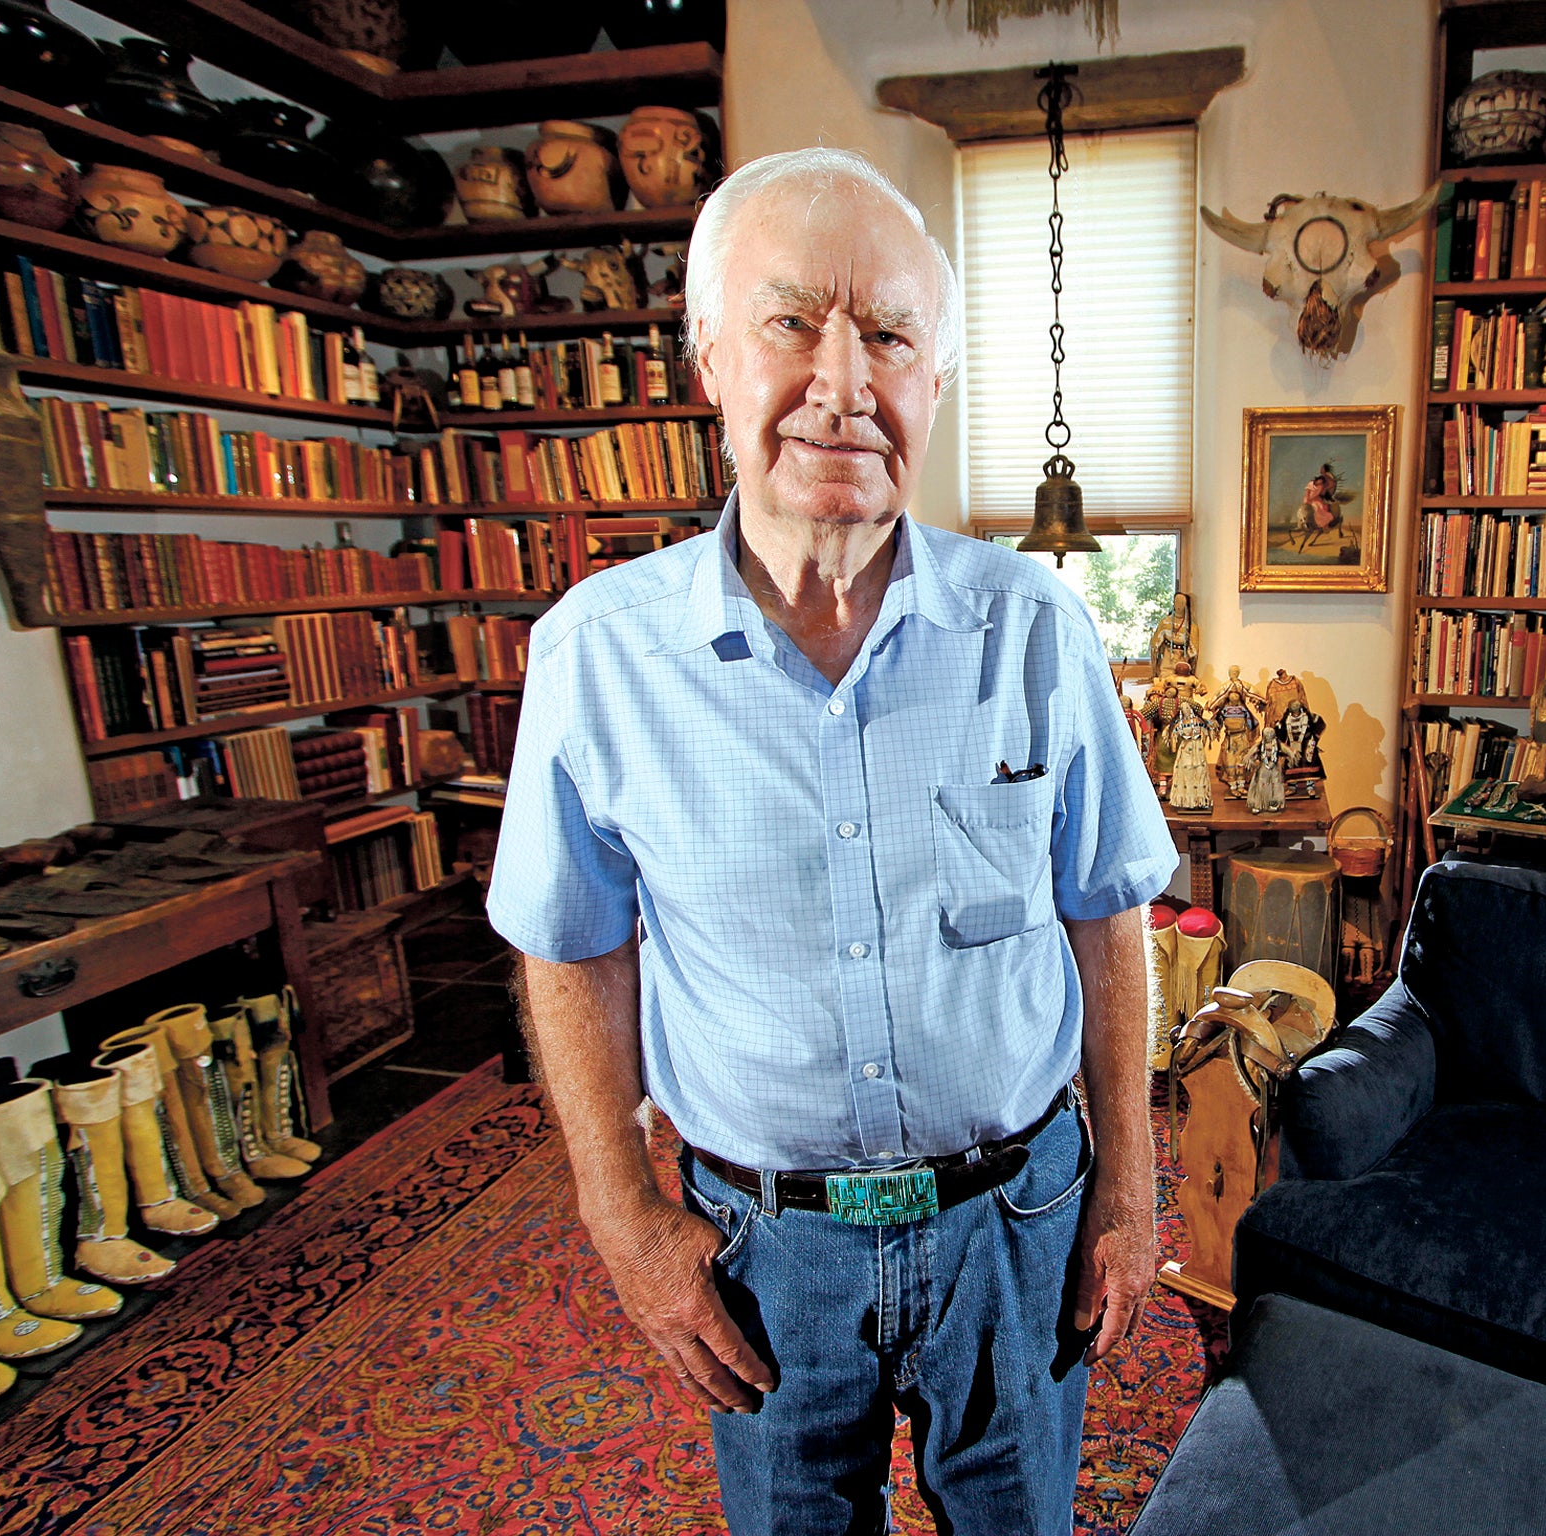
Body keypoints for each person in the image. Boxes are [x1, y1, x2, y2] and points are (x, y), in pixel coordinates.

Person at [487, 147, 1178, 1535]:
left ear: (935, 382)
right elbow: (571, 952)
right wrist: (625, 1221)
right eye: (795, 322)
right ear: (708, 360)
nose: (845, 383)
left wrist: (1131, 1189)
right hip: (765, 1247)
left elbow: (1108, 916)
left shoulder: (1037, 632)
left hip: (1017, 1222)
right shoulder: (597, 658)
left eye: (894, 336)